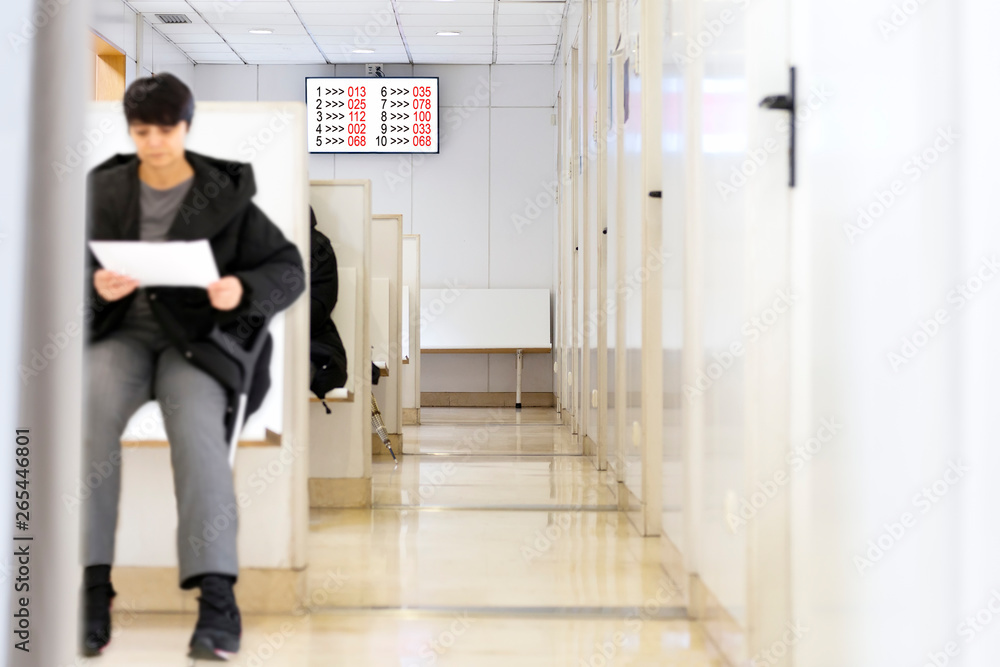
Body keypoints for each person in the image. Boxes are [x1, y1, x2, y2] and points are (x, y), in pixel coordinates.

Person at [81, 73, 305, 661]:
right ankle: (92, 590)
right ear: (131, 131)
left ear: (187, 126)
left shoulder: (223, 194)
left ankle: (216, 599)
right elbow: (55, 269)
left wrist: (240, 288)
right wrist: (96, 285)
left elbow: (287, 270)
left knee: (200, 435)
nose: (154, 142)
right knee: (90, 418)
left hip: (197, 340)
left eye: (166, 129)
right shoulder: (103, 190)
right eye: (142, 131)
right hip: (121, 335)